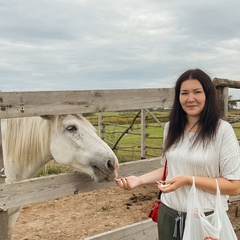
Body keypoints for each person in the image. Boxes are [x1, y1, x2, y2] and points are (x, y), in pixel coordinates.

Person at [116, 69, 240, 240]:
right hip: (169, 214)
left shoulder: (222, 131)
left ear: (208, 95)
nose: (190, 99)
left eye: (197, 92)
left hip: (205, 217)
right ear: (178, 97)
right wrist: (139, 180)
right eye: (184, 93)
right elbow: (170, 169)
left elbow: (234, 186)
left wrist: (189, 180)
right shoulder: (171, 128)